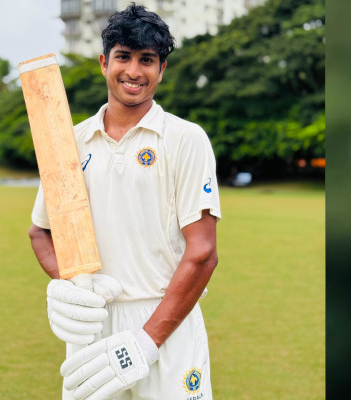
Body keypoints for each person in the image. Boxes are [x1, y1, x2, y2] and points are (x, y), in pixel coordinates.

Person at [29, 4, 221, 399]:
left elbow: (202, 253)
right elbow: (41, 232)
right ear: (104, 62)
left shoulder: (185, 139)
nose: (134, 71)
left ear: (161, 70)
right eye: (123, 57)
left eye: (146, 60)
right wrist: (70, 286)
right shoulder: (70, 142)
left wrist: (146, 342)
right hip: (94, 324)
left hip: (166, 324)